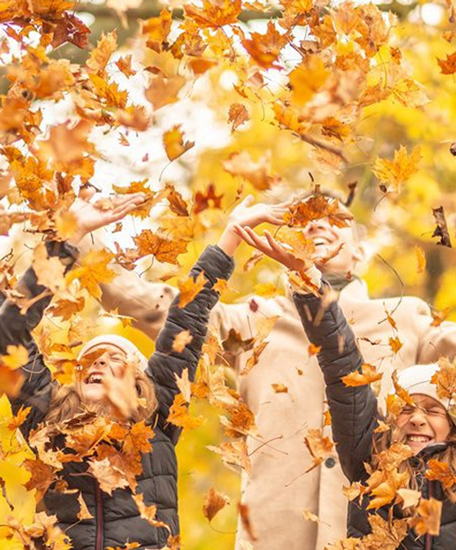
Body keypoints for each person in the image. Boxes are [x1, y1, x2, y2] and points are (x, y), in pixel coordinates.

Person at [91, 192, 456, 550]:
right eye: (304, 219)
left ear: (361, 250)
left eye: (334, 219)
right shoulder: (254, 318)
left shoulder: (404, 318)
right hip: (272, 536)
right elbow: (169, 313)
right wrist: (80, 243)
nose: (316, 224)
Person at [236, 223, 456, 549]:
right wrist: (309, 283)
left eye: (432, 409)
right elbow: (341, 363)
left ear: (454, 424)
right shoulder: (368, 462)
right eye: (405, 409)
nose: (416, 418)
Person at [0, 191, 285, 550]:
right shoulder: (47, 418)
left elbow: (187, 319)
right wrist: (68, 241)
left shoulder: (157, 418)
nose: (99, 362)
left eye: (113, 358)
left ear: (140, 384)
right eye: (89, 361)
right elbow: (9, 334)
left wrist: (229, 237)